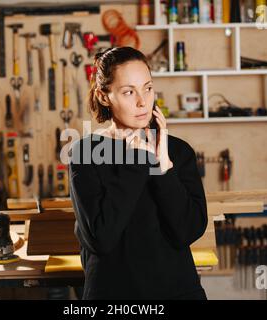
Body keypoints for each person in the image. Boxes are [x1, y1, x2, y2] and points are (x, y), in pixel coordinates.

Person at [69, 47, 208, 299]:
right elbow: (101, 238)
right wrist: (137, 161)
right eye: (128, 92)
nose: (142, 101)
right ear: (104, 96)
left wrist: (163, 166)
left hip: (176, 292)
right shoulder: (85, 153)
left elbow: (188, 231)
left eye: (148, 88)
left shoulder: (177, 151)